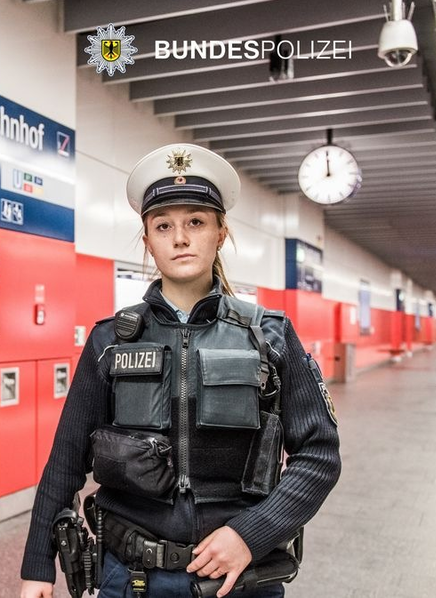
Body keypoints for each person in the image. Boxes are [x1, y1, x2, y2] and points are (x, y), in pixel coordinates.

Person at [20, 144, 341, 598]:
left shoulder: (269, 336)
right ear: (147, 240)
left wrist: (251, 534)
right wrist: (37, 566)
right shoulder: (111, 341)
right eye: (163, 225)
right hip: (132, 579)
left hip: (239, 580)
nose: (180, 238)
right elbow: (66, 460)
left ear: (220, 233)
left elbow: (320, 454)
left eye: (196, 222)